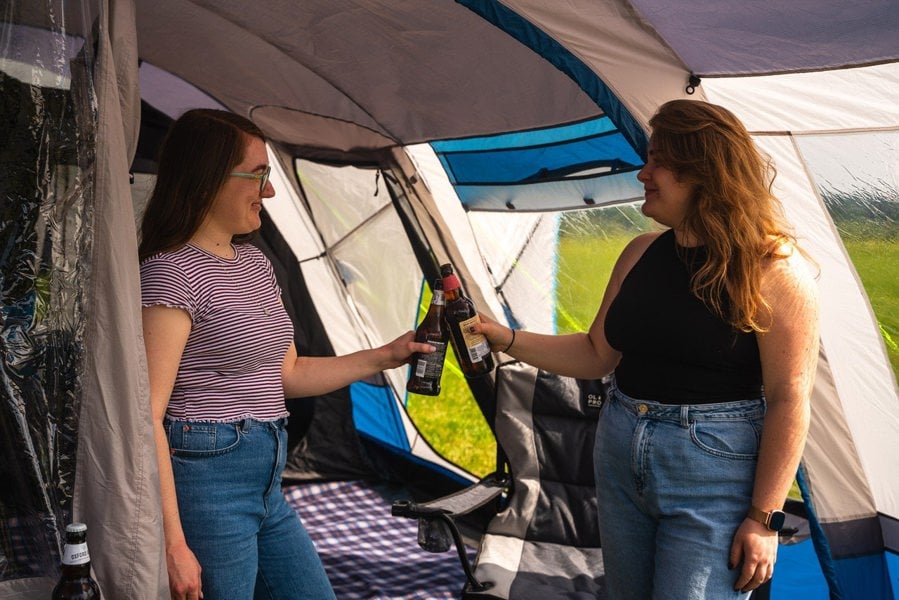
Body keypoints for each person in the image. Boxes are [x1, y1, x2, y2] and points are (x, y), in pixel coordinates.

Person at [475, 99, 819, 599]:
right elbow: (596, 354)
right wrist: (503, 337)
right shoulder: (640, 252)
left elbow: (789, 400)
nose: (643, 174)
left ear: (704, 174)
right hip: (618, 450)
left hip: (711, 472)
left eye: (658, 161)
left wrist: (764, 518)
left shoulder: (776, 273)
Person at [138, 108, 433, 600]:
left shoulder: (253, 262)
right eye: (259, 175)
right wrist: (173, 542)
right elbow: (146, 414)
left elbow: (288, 374)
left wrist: (386, 355)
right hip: (208, 484)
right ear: (209, 178)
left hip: (267, 482)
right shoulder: (170, 274)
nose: (269, 191)